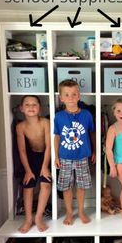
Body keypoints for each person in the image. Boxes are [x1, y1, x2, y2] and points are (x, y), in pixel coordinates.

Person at [54, 79, 95, 225]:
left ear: (79, 96)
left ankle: (81, 211)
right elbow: (57, 136)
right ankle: (69, 212)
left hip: (82, 156)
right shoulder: (59, 117)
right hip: (65, 157)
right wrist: (56, 156)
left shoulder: (86, 115)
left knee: (82, 185)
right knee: (66, 186)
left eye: (73, 94)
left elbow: (92, 134)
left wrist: (95, 150)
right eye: (67, 95)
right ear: (61, 98)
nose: (70, 98)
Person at [16, 95, 51, 233]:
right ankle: (28, 218)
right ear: (21, 108)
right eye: (27, 104)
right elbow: (22, 150)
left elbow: (49, 146)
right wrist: (28, 170)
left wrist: (44, 167)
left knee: (46, 184)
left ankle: (38, 217)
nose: (31, 107)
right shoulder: (20, 127)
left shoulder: (45, 123)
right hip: (30, 157)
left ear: (40, 108)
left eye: (34, 104)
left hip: (45, 156)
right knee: (28, 185)